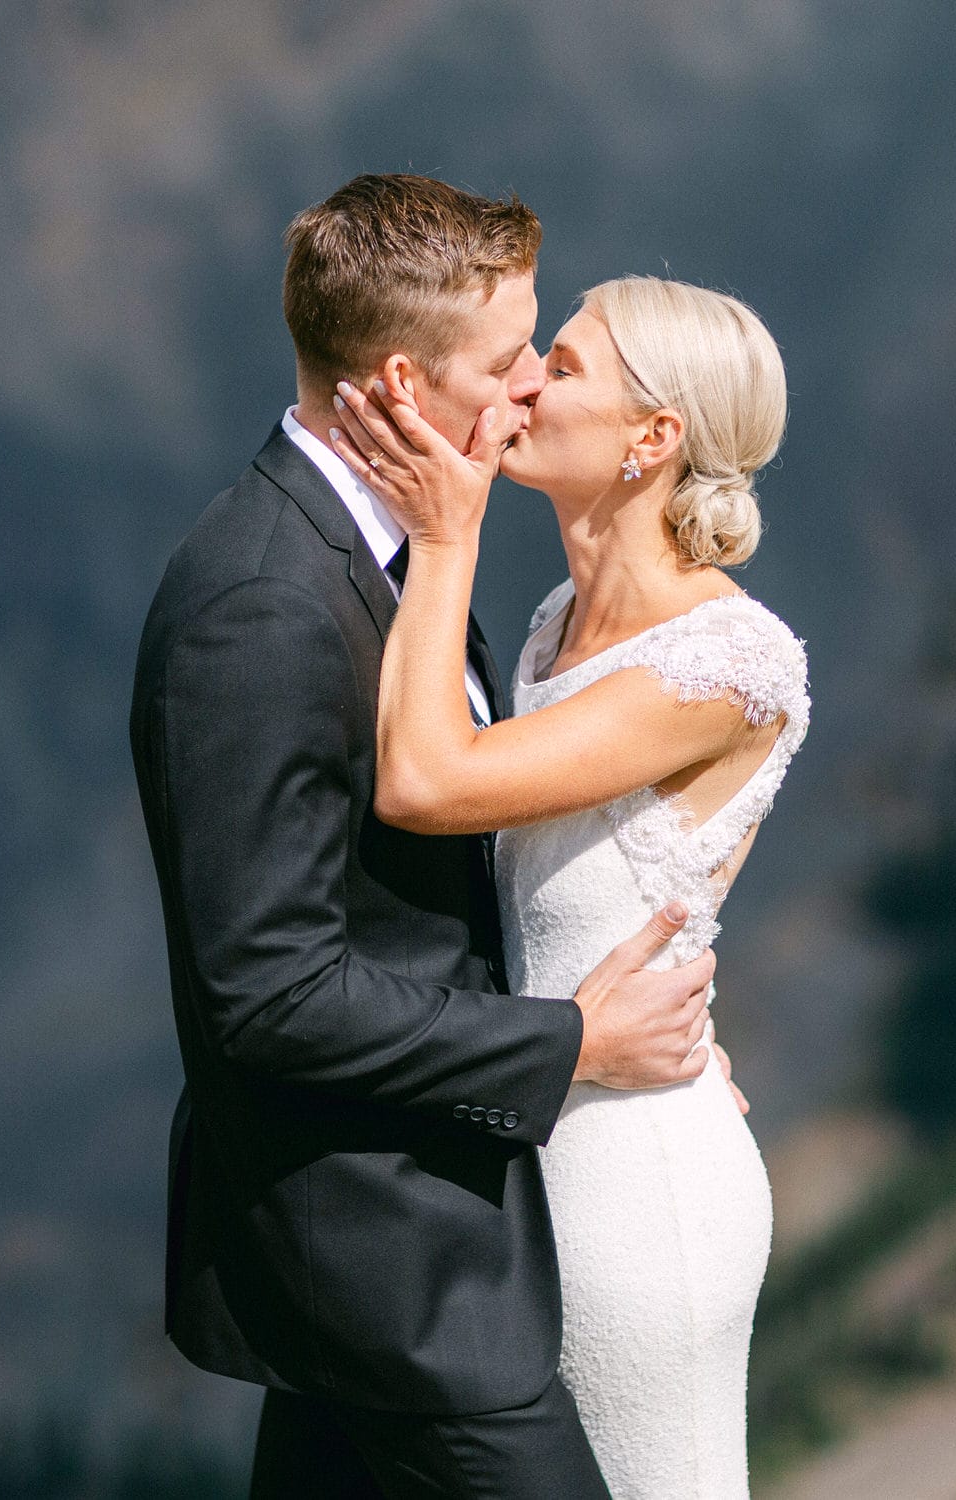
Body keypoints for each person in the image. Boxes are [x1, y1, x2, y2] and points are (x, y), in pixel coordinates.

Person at [129, 176, 732, 1500]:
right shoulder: (263, 605)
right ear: (401, 384)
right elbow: (268, 994)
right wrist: (578, 1043)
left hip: (421, 1243)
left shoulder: (395, 560)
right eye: (509, 358)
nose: (532, 387)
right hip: (386, 1260)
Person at [330, 272, 810, 1498]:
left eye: (570, 362)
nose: (529, 377)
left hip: (633, 1180)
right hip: (543, 1132)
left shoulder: (727, 658)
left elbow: (430, 781)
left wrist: (444, 536)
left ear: (653, 439)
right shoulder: (551, 623)